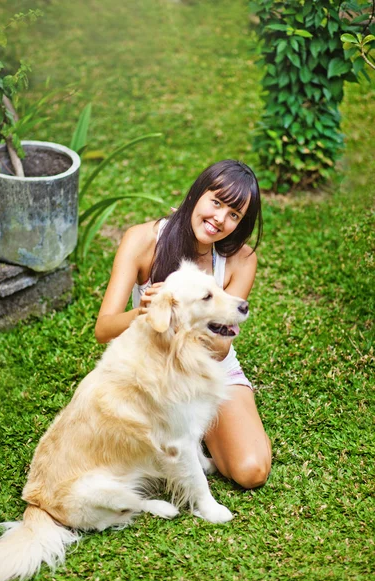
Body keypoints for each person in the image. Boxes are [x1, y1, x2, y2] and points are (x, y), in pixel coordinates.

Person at [95, 159, 272, 489]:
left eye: (234, 214)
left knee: (251, 471)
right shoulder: (142, 240)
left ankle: (198, 424)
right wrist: (147, 315)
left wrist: (180, 319)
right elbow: (103, 329)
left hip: (207, 371)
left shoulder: (241, 260)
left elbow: (220, 347)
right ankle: (187, 426)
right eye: (216, 202)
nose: (220, 219)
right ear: (196, 194)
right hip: (153, 373)